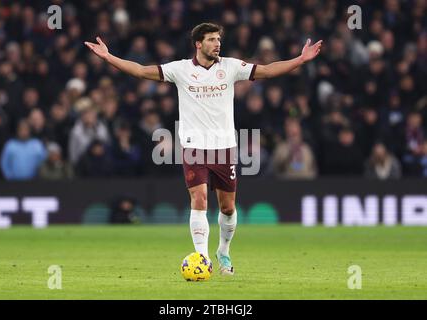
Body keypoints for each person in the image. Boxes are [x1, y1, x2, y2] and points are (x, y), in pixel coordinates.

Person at [85, 22, 322, 275]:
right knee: (198, 200)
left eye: (218, 39)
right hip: (194, 147)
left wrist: (300, 59)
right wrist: (109, 57)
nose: (217, 43)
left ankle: (223, 251)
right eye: (211, 39)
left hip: (224, 147)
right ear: (198, 44)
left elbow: (268, 71)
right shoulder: (181, 70)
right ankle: (203, 257)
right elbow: (142, 71)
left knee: (228, 207)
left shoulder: (230, 67)